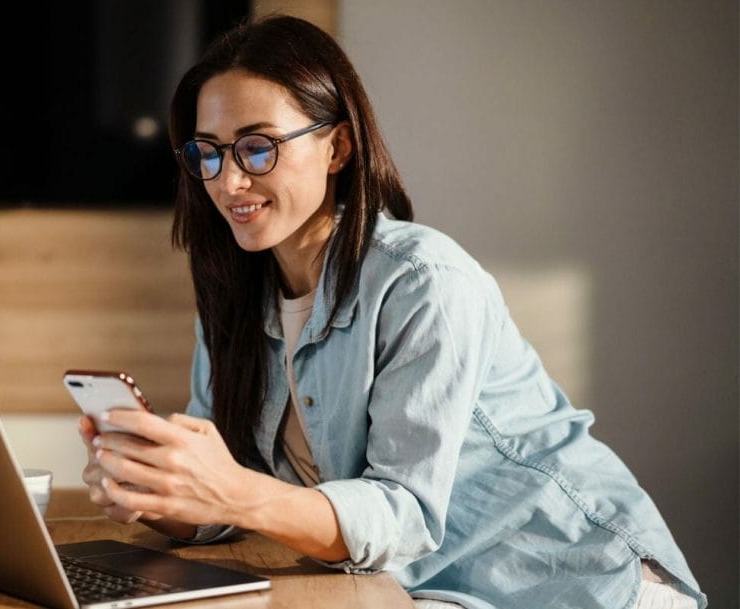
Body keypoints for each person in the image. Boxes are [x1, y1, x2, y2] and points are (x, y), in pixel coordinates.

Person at [77, 15, 705, 609]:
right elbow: (227, 502)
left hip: (581, 586)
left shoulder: (424, 281)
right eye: (208, 152)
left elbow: (401, 514)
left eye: (258, 148)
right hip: (427, 588)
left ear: (338, 147)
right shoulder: (234, 296)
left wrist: (232, 489)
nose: (227, 180)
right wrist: (158, 489)